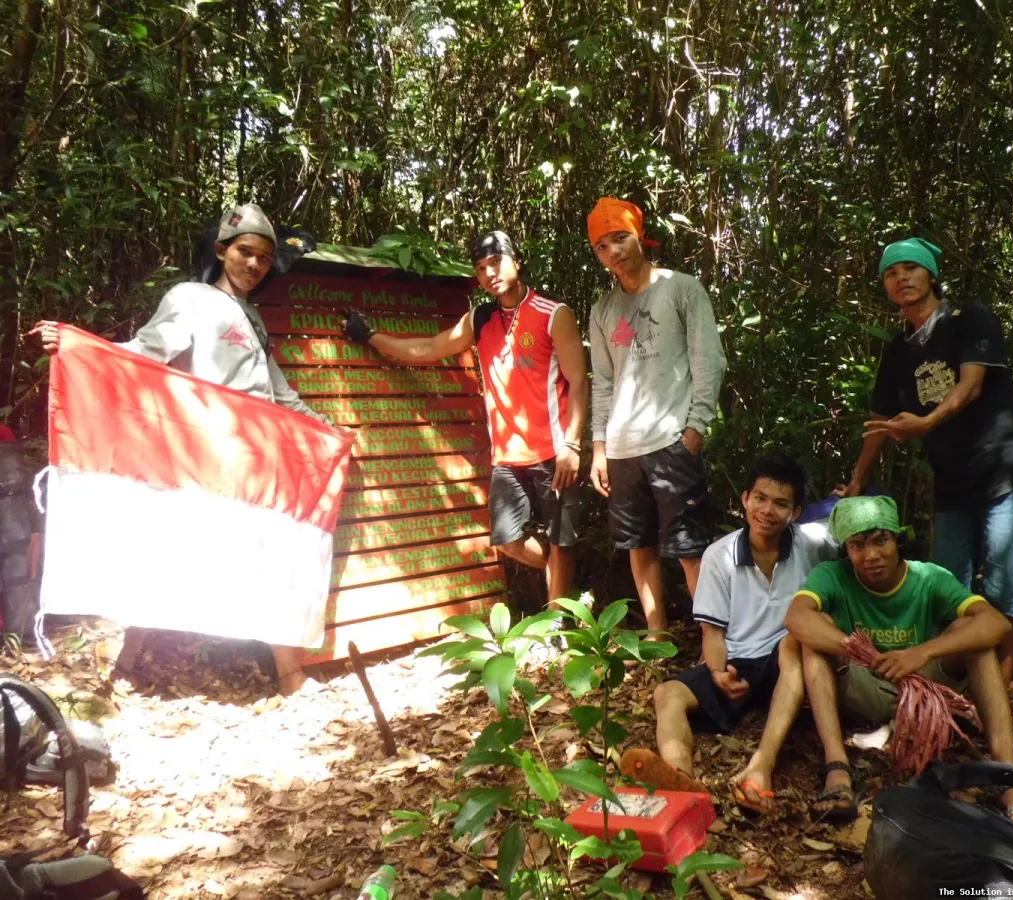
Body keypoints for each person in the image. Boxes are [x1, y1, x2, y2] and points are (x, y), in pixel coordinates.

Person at [31, 203, 331, 695]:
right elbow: (145, 352)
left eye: (263, 258)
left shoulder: (253, 319)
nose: (254, 265)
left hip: (257, 459)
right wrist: (75, 347)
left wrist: (327, 428)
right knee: (174, 552)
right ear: (222, 251)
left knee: (273, 553)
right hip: (207, 454)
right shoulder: (190, 298)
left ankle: (290, 675)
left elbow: (281, 393)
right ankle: (123, 664)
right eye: (245, 252)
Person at [836, 237, 1013, 695]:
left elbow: (971, 385)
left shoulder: (969, 318)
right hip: (952, 481)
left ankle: (1007, 683)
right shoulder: (898, 351)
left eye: (912, 268)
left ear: (931, 274)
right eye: (892, 272)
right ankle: (988, 673)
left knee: (1002, 585)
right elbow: (879, 424)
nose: (902, 277)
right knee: (949, 585)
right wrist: (855, 481)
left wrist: (927, 422)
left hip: (1003, 472)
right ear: (886, 286)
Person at [342, 231, 587, 605]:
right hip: (507, 456)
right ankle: (565, 583)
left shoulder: (554, 314)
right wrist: (371, 336)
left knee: (561, 538)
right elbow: (429, 348)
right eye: (481, 268)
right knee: (508, 541)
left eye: (496, 262)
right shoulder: (481, 318)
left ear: (517, 261)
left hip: (554, 450)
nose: (490, 273)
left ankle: (558, 625)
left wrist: (572, 444)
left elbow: (579, 382)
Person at [786, 495, 1013, 826]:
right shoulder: (833, 575)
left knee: (975, 637)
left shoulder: (928, 577)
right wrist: (857, 649)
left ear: (898, 540)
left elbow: (995, 623)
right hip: (865, 682)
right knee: (812, 640)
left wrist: (922, 652)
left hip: (923, 686)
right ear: (846, 551)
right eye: (858, 545)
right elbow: (796, 618)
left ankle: (1010, 780)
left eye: (881, 541)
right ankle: (837, 769)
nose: (872, 555)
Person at [624, 453, 836, 814]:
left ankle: (761, 767)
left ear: (796, 512)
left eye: (780, 503)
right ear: (745, 499)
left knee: (793, 639)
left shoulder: (811, 543)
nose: (767, 510)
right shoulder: (718, 556)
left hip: (787, 660)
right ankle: (679, 780)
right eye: (760, 498)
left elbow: (854, 535)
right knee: (667, 693)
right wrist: (719, 672)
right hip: (739, 661)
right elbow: (712, 633)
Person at [586, 198, 726, 637]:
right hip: (623, 447)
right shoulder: (602, 310)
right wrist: (599, 447)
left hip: (671, 441)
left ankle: (712, 641)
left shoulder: (681, 288)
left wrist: (696, 427)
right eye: (603, 246)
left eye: (621, 238)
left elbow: (709, 360)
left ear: (639, 235)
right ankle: (656, 634)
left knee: (690, 549)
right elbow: (603, 382)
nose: (614, 252)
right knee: (638, 544)